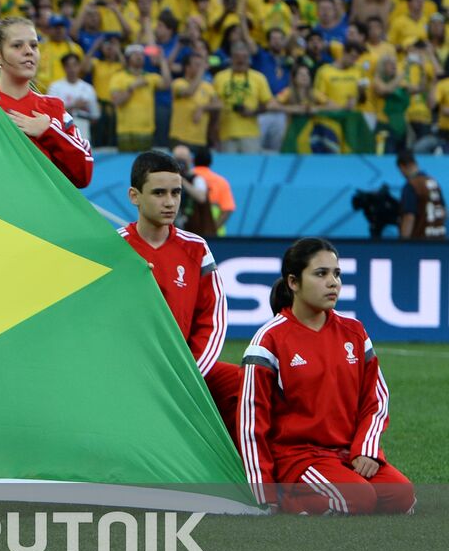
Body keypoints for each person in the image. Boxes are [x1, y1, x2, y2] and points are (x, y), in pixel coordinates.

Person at [240, 238, 415, 515]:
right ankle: (289, 496)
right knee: (360, 500)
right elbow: (252, 423)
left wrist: (366, 450)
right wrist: (264, 492)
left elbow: (377, 398)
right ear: (293, 283)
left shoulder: (354, 331)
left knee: (402, 496)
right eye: (321, 274)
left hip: (347, 455)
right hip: (299, 459)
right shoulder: (269, 340)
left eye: (336, 273)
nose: (333, 282)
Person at [120, 152, 241, 436]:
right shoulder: (115, 249)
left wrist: (189, 372)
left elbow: (212, 320)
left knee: (247, 383)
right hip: (130, 372)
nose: (170, 202)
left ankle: (243, 473)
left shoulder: (196, 248)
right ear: (134, 196)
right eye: (159, 193)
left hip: (187, 369)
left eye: (175, 192)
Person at [0, 16, 93, 188]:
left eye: (34, 45)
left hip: (43, 211)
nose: (29, 51)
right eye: (17, 45)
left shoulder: (53, 108)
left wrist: (48, 132)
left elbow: (83, 175)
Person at [395, 150, 446, 240]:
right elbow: (444, 212)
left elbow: (409, 217)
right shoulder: (433, 183)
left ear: (402, 167)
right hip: (440, 241)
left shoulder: (411, 186)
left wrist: (402, 244)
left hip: (420, 244)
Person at [190, 146, 236, 235]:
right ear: (210, 162)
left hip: (190, 233)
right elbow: (228, 209)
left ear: (193, 160)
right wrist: (212, 229)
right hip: (215, 237)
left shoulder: (185, 180)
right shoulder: (221, 181)